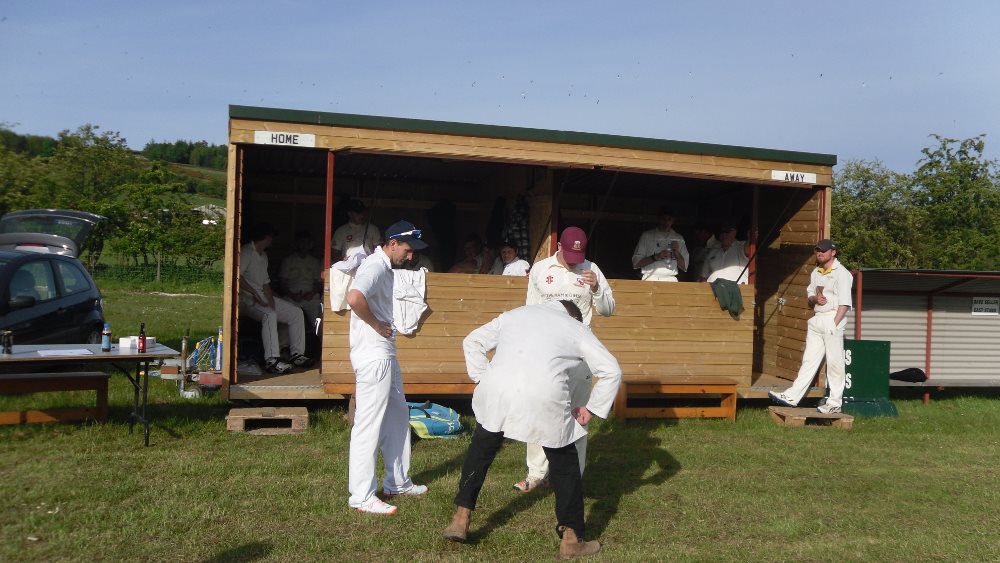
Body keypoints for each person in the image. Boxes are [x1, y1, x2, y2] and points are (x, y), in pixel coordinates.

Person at [442, 300, 622, 558]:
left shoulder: (514, 315)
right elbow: (611, 370)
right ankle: (572, 540)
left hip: (498, 392)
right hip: (545, 396)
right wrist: (591, 409)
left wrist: (484, 377)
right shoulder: (575, 327)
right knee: (565, 465)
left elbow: (472, 341)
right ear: (574, 316)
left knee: (481, 452)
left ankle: (460, 519)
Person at [517, 226, 615, 492]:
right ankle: (536, 473)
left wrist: (596, 289)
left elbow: (608, 310)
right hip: (546, 352)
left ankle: (573, 477)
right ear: (558, 245)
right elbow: (530, 309)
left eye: (579, 256)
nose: (575, 262)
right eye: (569, 256)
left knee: (578, 414)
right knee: (540, 410)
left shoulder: (591, 269)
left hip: (579, 352)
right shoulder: (541, 269)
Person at [346, 220, 430, 514]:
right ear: (392, 243)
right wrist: (377, 324)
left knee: (397, 414)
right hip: (374, 355)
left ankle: (397, 482)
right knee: (368, 424)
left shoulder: (384, 266)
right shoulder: (375, 266)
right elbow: (354, 298)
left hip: (385, 353)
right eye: (407, 251)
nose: (410, 257)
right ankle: (361, 495)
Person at [769, 239, 854, 414]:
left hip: (832, 318)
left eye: (823, 251)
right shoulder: (816, 272)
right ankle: (792, 396)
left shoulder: (842, 273)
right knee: (809, 360)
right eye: (817, 251)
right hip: (817, 318)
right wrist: (815, 299)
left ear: (833, 252)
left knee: (834, 363)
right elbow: (810, 295)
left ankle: (834, 403)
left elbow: (845, 303)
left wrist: (834, 323)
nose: (820, 253)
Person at [239, 223, 314, 374]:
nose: (272, 240)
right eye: (271, 237)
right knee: (270, 315)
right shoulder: (246, 251)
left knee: (295, 312)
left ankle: (297, 354)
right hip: (246, 300)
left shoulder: (263, 255)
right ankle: (272, 360)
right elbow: (237, 276)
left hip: (261, 297)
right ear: (265, 238)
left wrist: (271, 301)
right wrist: (254, 293)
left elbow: (266, 283)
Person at [631, 205, 690, 282]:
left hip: (670, 279)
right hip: (650, 278)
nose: (666, 222)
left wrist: (676, 252)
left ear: (673, 221)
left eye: (669, 219)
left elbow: (684, 266)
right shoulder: (647, 236)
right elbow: (636, 263)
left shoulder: (678, 238)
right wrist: (656, 257)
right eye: (663, 219)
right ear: (658, 219)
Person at [279, 229, 323, 323]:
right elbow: (282, 283)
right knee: (286, 320)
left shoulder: (315, 262)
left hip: (310, 297)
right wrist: (292, 295)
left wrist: (311, 293)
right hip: (292, 297)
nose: (304, 245)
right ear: (297, 243)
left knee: (319, 321)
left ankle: (318, 336)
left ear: (310, 245)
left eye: (307, 243)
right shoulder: (288, 261)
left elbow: (318, 283)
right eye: (301, 242)